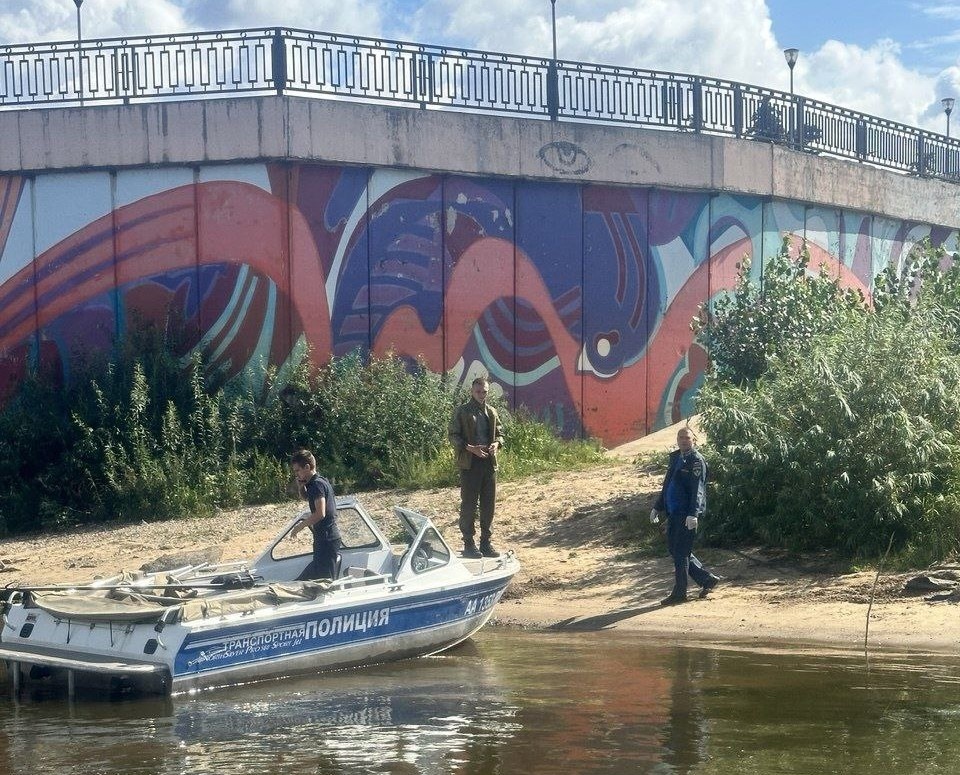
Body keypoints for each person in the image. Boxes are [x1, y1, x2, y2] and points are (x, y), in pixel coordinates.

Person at [650, 427, 720, 605]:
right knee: (676, 550)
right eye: (680, 438)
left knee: (681, 552)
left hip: (686, 514)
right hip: (673, 512)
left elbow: (698, 490)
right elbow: (667, 485)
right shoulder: (675, 458)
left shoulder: (696, 461)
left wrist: (693, 514)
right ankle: (706, 579)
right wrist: (657, 507)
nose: (683, 441)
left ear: (693, 440)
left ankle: (680, 593)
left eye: (687, 438)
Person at [449, 376, 505, 559]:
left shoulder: (492, 412)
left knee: (489, 505)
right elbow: (453, 436)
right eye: (478, 391)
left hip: (488, 462)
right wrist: (469, 448)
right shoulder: (462, 411)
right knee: (469, 504)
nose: (482, 395)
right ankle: (469, 543)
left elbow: (500, 434)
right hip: (470, 464)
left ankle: (486, 543)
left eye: (485, 392)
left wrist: (497, 444)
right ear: (472, 392)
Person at [289, 449, 342, 581]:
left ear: (307, 467)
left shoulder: (317, 484)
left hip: (327, 538)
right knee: (313, 576)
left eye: (297, 471)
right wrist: (301, 486)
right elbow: (307, 497)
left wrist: (299, 527)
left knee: (324, 580)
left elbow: (320, 513)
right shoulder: (316, 482)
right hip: (323, 538)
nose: (296, 475)